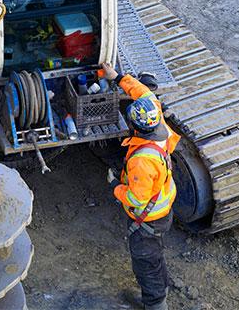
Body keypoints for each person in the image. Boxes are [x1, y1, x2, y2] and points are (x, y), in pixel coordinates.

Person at [101, 63, 181, 310]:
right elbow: (144, 93)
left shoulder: (142, 161)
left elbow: (136, 200)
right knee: (154, 257)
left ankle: (156, 305)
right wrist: (118, 78)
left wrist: (115, 185)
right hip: (162, 211)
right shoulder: (158, 126)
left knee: (146, 262)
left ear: (134, 126)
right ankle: (159, 290)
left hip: (148, 220)